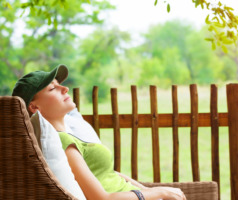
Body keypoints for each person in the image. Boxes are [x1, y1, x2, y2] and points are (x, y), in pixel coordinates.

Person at [12, 64, 186, 200]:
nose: (65, 89)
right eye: (52, 88)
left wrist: (150, 191)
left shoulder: (69, 137)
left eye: (60, 85)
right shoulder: (62, 142)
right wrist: (159, 192)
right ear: (34, 107)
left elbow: (109, 174)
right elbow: (101, 198)